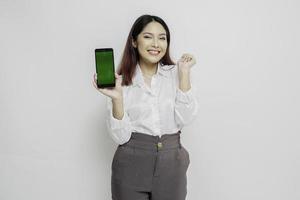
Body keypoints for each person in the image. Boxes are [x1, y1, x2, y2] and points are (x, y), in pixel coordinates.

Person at [93, 14, 198, 200]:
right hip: (130, 163)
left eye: (162, 38)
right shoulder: (120, 81)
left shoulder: (177, 73)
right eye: (148, 36)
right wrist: (117, 97)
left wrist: (184, 74)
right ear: (134, 41)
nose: (156, 44)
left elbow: (186, 118)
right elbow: (120, 136)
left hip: (171, 161)